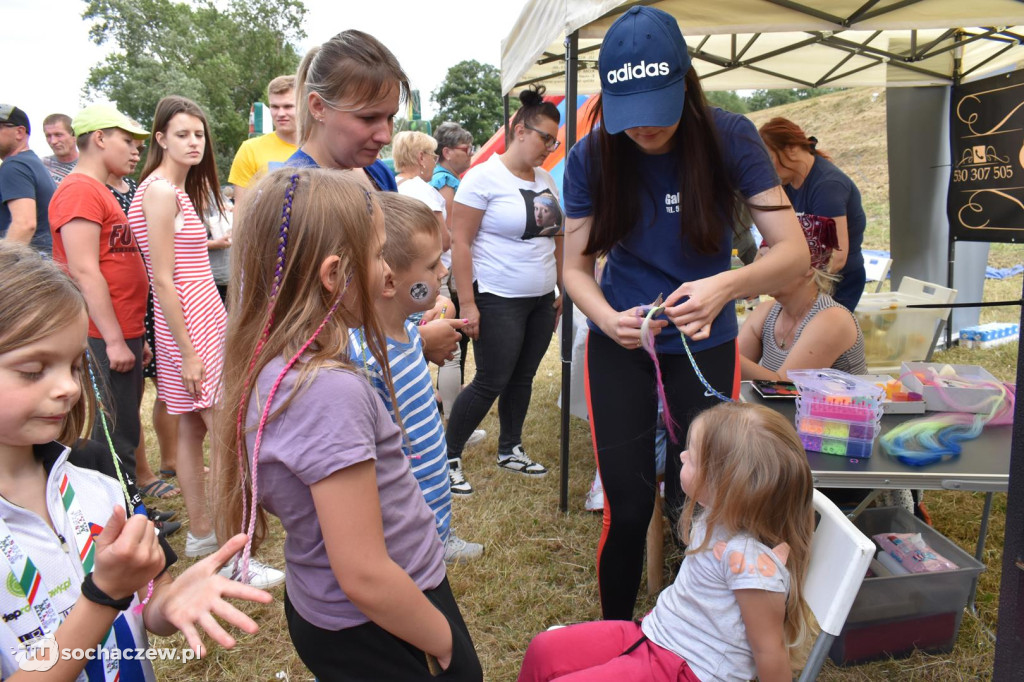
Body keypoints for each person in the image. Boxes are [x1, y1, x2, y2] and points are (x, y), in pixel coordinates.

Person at [561, 5, 809, 621]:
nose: (644, 129)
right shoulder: (592, 156)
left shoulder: (728, 137)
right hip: (622, 347)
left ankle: (690, 627)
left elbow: (795, 254)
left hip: (706, 347)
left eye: (658, 111)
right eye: (631, 115)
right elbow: (572, 270)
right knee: (626, 501)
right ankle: (618, 635)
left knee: (699, 500)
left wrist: (726, 286)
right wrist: (603, 316)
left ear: (685, 84)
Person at [213, 169, 483, 680]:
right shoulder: (328, 391)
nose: (390, 275)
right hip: (383, 618)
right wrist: (443, 640)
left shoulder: (277, 362)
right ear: (335, 274)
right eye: (380, 254)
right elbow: (363, 572)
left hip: (335, 607)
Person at [0, 242, 272, 680]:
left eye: (73, 366)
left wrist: (170, 602)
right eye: (34, 370)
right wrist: (104, 594)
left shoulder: (95, 479)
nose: (68, 388)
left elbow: (148, 600)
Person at [518, 402, 815, 682]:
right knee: (544, 650)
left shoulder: (750, 563)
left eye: (693, 456)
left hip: (686, 669)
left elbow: (770, 650)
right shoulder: (720, 515)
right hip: (657, 635)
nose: (682, 456)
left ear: (726, 485)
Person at [129, 96, 283, 590]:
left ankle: (202, 536)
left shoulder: (171, 189)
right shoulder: (159, 193)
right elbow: (165, 280)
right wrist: (190, 351)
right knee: (229, 435)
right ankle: (235, 549)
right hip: (188, 325)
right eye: (182, 134)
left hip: (195, 321)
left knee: (194, 435)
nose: (194, 143)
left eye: (199, 134)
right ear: (160, 139)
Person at [350, 192, 482, 564]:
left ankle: (442, 539)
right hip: (400, 513)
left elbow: (429, 309)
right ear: (388, 277)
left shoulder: (407, 331)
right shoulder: (365, 359)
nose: (443, 272)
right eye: (432, 265)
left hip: (429, 476)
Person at [445, 86, 563, 495]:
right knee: (490, 379)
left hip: (541, 298)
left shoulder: (547, 179)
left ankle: (510, 448)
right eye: (544, 137)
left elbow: (557, 238)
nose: (550, 147)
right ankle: (448, 457)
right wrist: (468, 303)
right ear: (519, 129)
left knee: (524, 377)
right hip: (497, 297)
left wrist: (561, 288)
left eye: (555, 140)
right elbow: (460, 242)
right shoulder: (482, 177)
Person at [48, 103, 151, 491]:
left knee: (123, 423)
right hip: (100, 332)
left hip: (121, 330)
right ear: (100, 138)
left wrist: (131, 336)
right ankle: (121, 512)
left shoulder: (98, 190)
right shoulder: (79, 190)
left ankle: (128, 507)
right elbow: (84, 269)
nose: (135, 150)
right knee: (111, 431)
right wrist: (111, 339)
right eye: (127, 141)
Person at [759, 117, 867, 312]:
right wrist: (750, 278)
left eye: (769, 159)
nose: (767, 169)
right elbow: (769, 243)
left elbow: (837, 257)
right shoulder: (787, 184)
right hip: (805, 284)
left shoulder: (827, 186)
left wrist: (789, 283)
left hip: (838, 285)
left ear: (791, 148)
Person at [739, 216, 868, 380]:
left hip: (839, 406)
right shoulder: (765, 312)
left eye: (774, 259)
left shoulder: (833, 319)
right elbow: (729, 373)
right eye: (763, 258)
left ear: (808, 267)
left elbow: (785, 387)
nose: (762, 267)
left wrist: (716, 346)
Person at [429, 122, 475, 417]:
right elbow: (451, 230)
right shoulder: (445, 182)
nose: (470, 155)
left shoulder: (442, 179)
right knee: (453, 344)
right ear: (446, 152)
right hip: (447, 270)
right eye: (465, 149)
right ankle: (450, 406)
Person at [227, 75, 299, 206]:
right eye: (275, 107)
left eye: (288, 106)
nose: (280, 113)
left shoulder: (322, 149)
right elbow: (241, 209)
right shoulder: (250, 149)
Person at [0, 104, 55, 255]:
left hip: (30, 266)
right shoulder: (32, 162)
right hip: (44, 263)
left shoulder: (14, 166)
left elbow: (24, 225)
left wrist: (4, 266)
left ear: (19, 132)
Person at [42, 113, 79, 184]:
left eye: (58, 135)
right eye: (48, 136)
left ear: (74, 135)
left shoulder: (89, 166)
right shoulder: (41, 167)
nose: (53, 141)